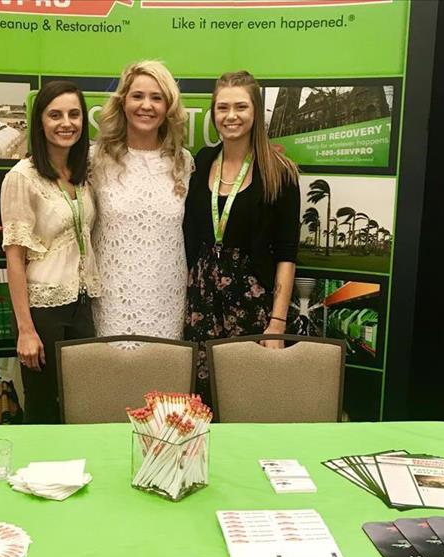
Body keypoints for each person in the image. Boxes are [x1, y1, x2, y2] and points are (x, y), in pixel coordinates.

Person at [183, 71, 300, 405]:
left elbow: (287, 254)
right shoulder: (202, 161)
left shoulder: (280, 171)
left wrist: (276, 323)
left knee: (250, 398)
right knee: (203, 399)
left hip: (254, 304)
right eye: (222, 107)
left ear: (255, 111)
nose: (231, 116)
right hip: (203, 302)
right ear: (213, 113)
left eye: (240, 106)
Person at [0, 81, 101, 424]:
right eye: (55, 115)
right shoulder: (22, 178)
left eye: (74, 114)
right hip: (43, 309)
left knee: (84, 404)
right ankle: (37, 477)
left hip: (82, 303)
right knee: (43, 408)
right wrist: (25, 330)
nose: (66, 123)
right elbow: (14, 258)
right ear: (40, 122)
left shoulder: (82, 174)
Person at [90, 60, 193, 339]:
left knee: (165, 379)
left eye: (156, 98)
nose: (146, 105)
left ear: (168, 107)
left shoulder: (183, 162)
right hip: (112, 302)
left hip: (168, 301)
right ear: (123, 102)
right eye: (137, 96)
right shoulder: (96, 160)